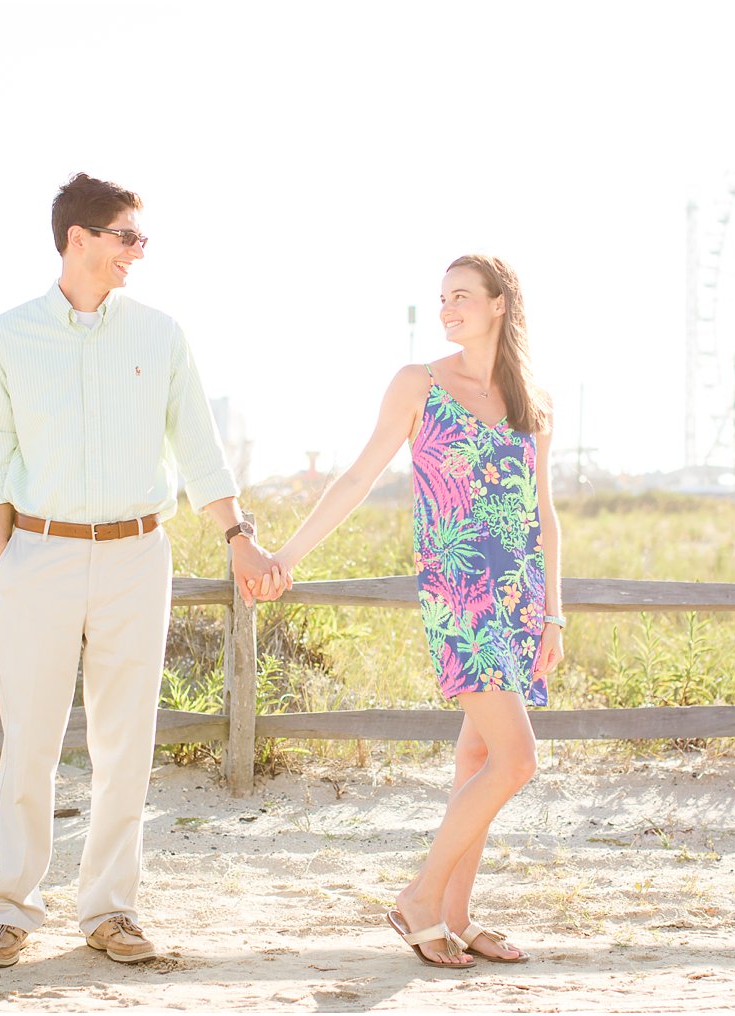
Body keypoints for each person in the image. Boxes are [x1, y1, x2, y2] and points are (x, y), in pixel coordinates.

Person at [0, 172, 288, 968]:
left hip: (136, 558)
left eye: (140, 238)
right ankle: (11, 908)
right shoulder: (8, 335)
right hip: (37, 558)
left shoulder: (160, 333)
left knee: (124, 744)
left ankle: (110, 910)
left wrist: (238, 535)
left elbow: (200, 447)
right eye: (127, 236)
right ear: (78, 239)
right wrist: (6, 557)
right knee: (29, 741)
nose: (139, 252)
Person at [268, 254, 564, 969]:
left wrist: (554, 613)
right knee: (517, 760)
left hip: (519, 597)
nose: (447, 309)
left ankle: (457, 917)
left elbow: (545, 513)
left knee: (482, 754)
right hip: (460, 597)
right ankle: (420, 898)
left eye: (461, 297)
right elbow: (360, 474)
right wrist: (290, 555)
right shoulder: (419, 384)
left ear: (499, 304)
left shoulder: (532, 399)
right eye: (442, 299)